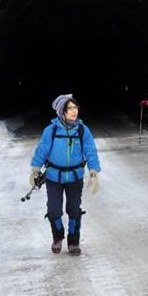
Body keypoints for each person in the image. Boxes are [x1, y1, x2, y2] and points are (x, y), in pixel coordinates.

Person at [29, 94, 101, 256]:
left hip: (75, 177)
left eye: (76, 108)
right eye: (70, 108)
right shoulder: (51, 130)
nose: (74, 111)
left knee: (74, 210)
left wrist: (94, 171)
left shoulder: (82, 130)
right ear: (62, 111)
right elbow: (42, 150)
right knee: (54, 210)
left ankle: (74, 242)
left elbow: (90, 151)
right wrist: (35, 169)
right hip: (54, 177)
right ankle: (58, 237)